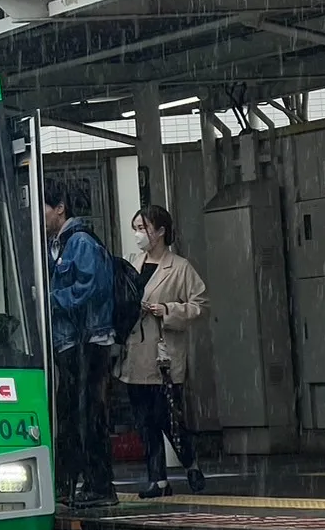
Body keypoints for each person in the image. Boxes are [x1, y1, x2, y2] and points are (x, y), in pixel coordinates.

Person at [117, 205, 208, 498]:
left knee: (169, 418)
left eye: (142, 228)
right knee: (144, 422)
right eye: (135, 229)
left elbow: (200, 305)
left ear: (160, 231)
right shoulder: (132, 263)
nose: (138, 235)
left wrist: (167, 310)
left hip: (162, 356)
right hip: (135, 353)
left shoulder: (180, 268)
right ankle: (157, 480)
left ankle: (190, 462)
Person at [44, 179, 117, 507]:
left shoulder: (81, 242)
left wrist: (51, 300)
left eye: (44, 208)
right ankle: (71, 484)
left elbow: (92, 288)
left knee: (88, 413)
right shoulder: (57, 244)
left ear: (60, 208)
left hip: (88, 339)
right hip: (70, 342)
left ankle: (99, 486)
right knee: (72, 413)